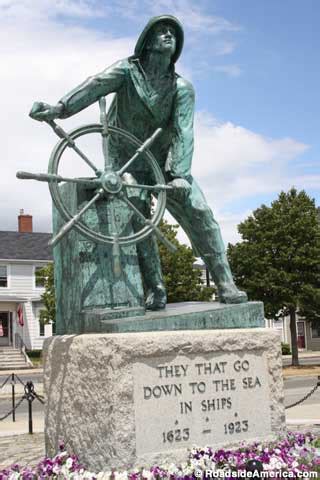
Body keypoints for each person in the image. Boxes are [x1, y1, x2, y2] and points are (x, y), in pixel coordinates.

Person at [30, 15, 247, 309]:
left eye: (173, 32)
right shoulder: (126, 71)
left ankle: (225, 283)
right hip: (125, 159)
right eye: (162, 30)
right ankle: (155, 288)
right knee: (138, 214)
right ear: (147, 41)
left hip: (166, 162)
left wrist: (180, 174)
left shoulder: (182, 88)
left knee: (201, 212)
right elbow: (94, 86)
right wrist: (60, 108)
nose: (169, 35)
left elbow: (184, 131)